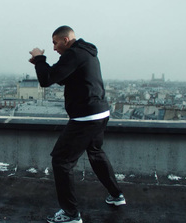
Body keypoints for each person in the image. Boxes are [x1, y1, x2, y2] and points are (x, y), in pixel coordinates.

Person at [29, 25, 126, 223]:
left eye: (55, 43)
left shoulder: (74, 54)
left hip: (85, 117)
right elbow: (61, 77)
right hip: (100, 113)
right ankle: (117, 196)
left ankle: (71, 214)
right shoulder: (86, 53)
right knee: (96, 153)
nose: (54, 48)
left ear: (65, 40)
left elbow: (47, 79)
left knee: (61, 161)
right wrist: (40, 64)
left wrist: (39, 58)